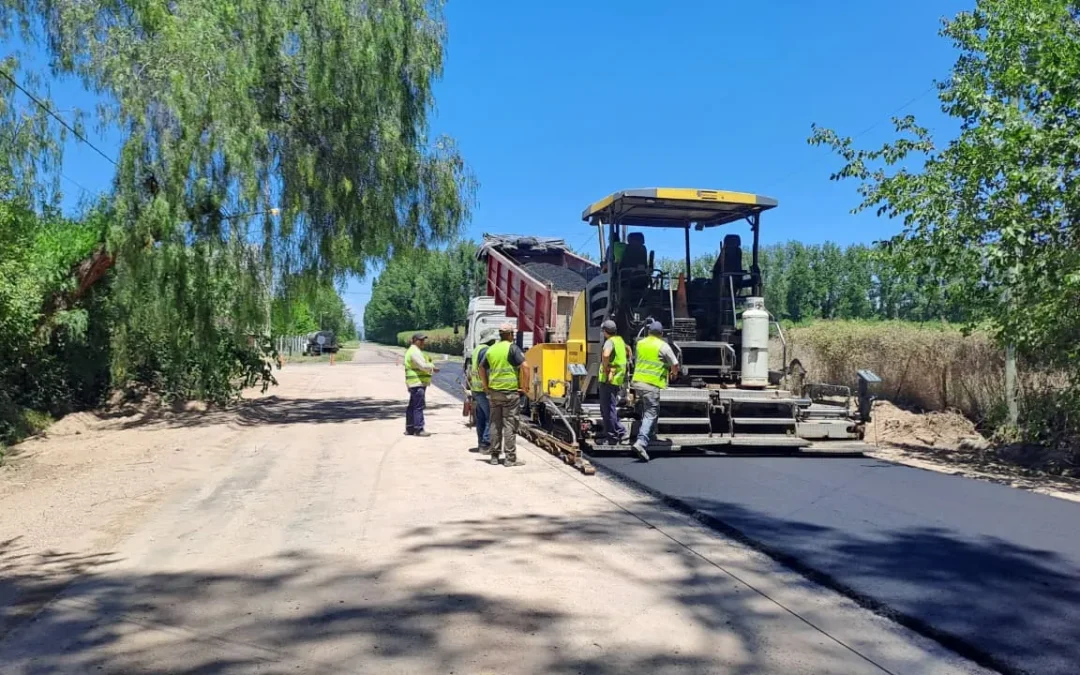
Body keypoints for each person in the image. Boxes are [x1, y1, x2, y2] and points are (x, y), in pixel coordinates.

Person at [630, 321, 679, 462]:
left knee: (648, 409)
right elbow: (675, 364)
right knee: (651, 413)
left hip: (637, 382)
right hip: (651, 384)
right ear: (661, 334)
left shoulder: (640, 343)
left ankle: (650, 435)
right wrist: (674, 373)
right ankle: (641, 441)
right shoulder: (663, 346)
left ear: (649, 332)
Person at [481, 322, 528, 467]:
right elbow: (525, 367)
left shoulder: (491, 349)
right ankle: (510, 459)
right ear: (510, 335)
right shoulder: (512, 348)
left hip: (494, 393)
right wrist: (524, 387)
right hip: (510, 394)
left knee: (495, 424)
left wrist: (486, 386)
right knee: (509, 425)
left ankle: (494, 456)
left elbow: (481, 367)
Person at [467, 329, 499, 454]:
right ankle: (486, 444)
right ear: (490, 340)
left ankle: (481, 443)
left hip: (476, 389)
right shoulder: (486, 351)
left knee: (481, 418)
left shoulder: (477, 349)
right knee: (491, 417)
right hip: (483, 389)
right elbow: (485, 370)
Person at [598, 319, 629, 444]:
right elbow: (627, 352)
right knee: (608, 408)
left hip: (608, 380)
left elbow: (606, 355)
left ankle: (617, 433)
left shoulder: (610, 342)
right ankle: (610, 433)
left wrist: (605, 367)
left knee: (608, 409)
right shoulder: (620, 340)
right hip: (616, 379)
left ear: (605, 331)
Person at [404, 332, 439, 437]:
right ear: (415, 340)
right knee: (418, 406)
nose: (423, 342)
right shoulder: (414, 352)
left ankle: (410, 428)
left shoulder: (413, 351)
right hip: (417, 382)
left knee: (412, 406)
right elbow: (423, 366)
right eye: (421, 340)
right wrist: (432, 367)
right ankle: (419, 429)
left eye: (424, 340)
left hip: (414, 383)